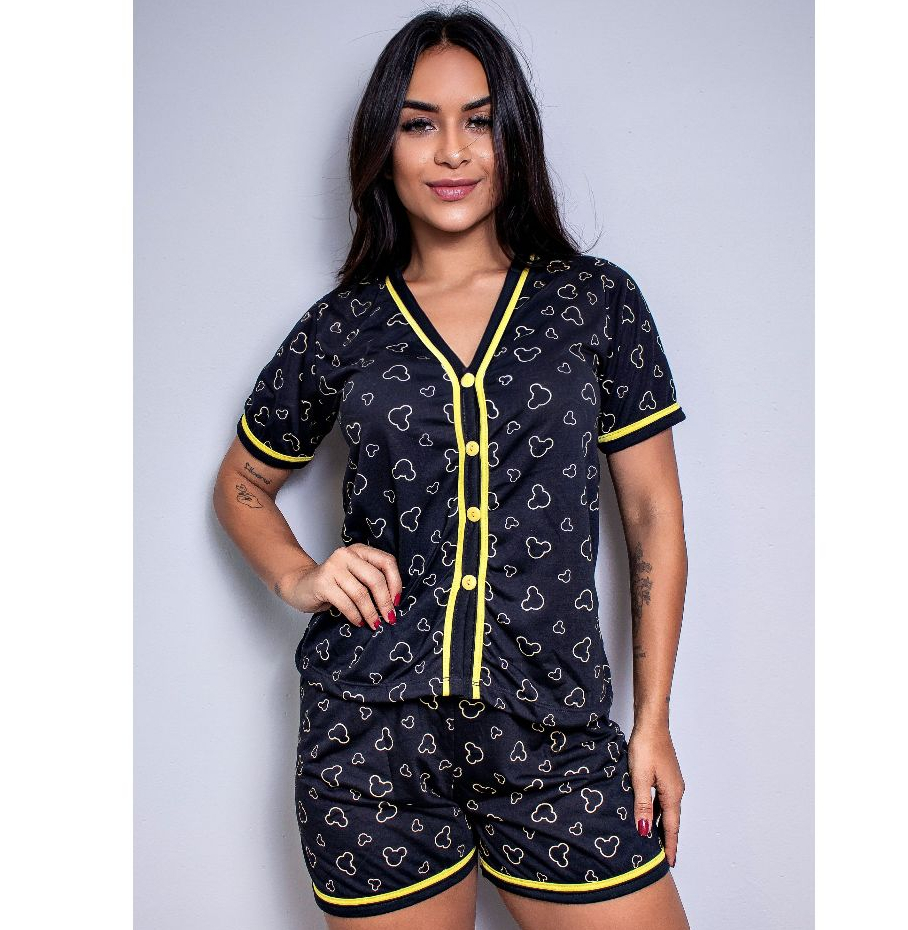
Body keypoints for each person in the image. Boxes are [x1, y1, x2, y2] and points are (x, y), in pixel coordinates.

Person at [213, 8, 691, 929]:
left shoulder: (594, 303)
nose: (452, 151)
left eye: (478, 120)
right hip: (369, 741)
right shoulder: (346, 325)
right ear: (383, 146)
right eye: (417, 123)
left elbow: (653, 519)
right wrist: (300, 575)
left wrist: (653, 724)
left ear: (513, 138)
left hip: (555, 733)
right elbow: (240, 484)